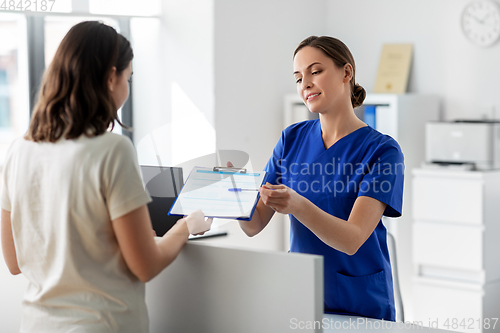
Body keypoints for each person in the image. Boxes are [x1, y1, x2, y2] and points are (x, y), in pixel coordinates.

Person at [0, 21, 211, 333]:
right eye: (128, 78)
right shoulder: (112, 150)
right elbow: (145, 266)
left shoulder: (18, 150)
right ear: (112, 77)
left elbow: (15, 262)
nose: (127, 88)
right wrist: (185, 226)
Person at [237, 36, 404, 321]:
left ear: (346, 73)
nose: (305, 84)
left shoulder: (382, 151)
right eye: (299, 77)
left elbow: (352, 239)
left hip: (360, 302)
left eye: (315, 72)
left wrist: (297, 205)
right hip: (301, 294)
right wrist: (233, 194)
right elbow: (253, 224)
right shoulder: (292, 139)